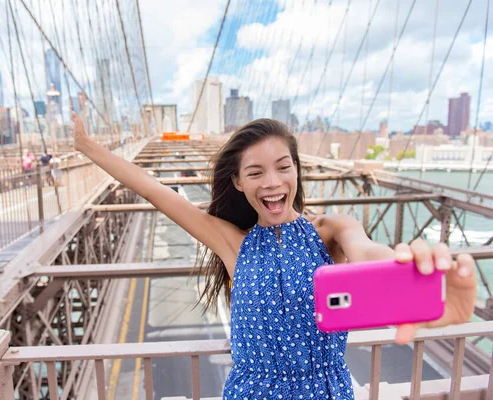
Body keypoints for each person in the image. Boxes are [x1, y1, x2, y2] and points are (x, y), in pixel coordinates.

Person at [70, 113, 477, 399]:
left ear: (297, 171)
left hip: (325, 392)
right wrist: (87, 147)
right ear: (238, 182)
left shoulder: (331, 232)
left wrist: (408, 277)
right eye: (256, 173)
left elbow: (367, 250)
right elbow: (154, 190)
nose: (272, 182)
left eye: (283, 167)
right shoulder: (233, 243)